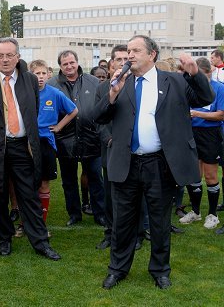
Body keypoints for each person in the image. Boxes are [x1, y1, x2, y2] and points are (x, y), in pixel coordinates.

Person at [93, 35, 214, 290]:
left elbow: (205, 98)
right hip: (126, 162)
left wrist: (195, 74)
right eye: (127, 51)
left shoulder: (176, 81)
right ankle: (117, 269)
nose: (130, 55)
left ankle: (160, 270)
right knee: (123, 221)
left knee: (159, 221)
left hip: (160, 163)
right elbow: (98, 117)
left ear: (152, 55)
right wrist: (113, 94)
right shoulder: (117, 83)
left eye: (136, 51)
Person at [0, 37, 61, 260]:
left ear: (18, 56)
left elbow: (33, 109)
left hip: (22, 147)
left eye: (10, 55)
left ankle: (40, 242)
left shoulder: (28, 79)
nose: (5, 59)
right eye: (0, 55)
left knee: (28, 195)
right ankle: (4, 239)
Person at [48, 50, 105, 227]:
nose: (69, 66)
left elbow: (103, 107)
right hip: (65, 140)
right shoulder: (52, 84)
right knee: (69, 181)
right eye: (65, 64)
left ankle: (100, 213)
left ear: (77, 62)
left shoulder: (93, 81)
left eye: (72, 62)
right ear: (60, 66)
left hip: (91, 138)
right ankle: (74, 214)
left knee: (96, 177)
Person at [29, 59, 78, 230]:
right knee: (27, 184)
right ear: (30, 75)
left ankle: (41, 223)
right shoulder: (25, 93)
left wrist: (58, 126)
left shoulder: (54, 93)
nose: (40, 77)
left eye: (43, 73)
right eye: (37, 74)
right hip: (26, 143)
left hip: (46, 143)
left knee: (43, 183)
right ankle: (25, 222)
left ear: (49, 74)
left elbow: (73, 110)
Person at [179, 57, 224, 229]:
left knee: (211, 175)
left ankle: (213, 214)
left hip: (210, 134)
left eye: (201, 75)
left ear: (210, 72)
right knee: (193, 175)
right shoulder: (189, 87)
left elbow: (221, 114)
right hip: (191, 133)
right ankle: (195, 212)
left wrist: (197, 114)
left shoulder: (219, 88)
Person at [95, 44, 128, 250]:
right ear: (111, 64)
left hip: (134, 149)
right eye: (119, 60)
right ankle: (110, 233)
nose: (123, 63)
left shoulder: (137, 84)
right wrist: (108, 139)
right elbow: (97, 119)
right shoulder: (102, 87)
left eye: (127, 59)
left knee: (136, 194)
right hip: (110, 149)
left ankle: (138, 233)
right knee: (110, 194)